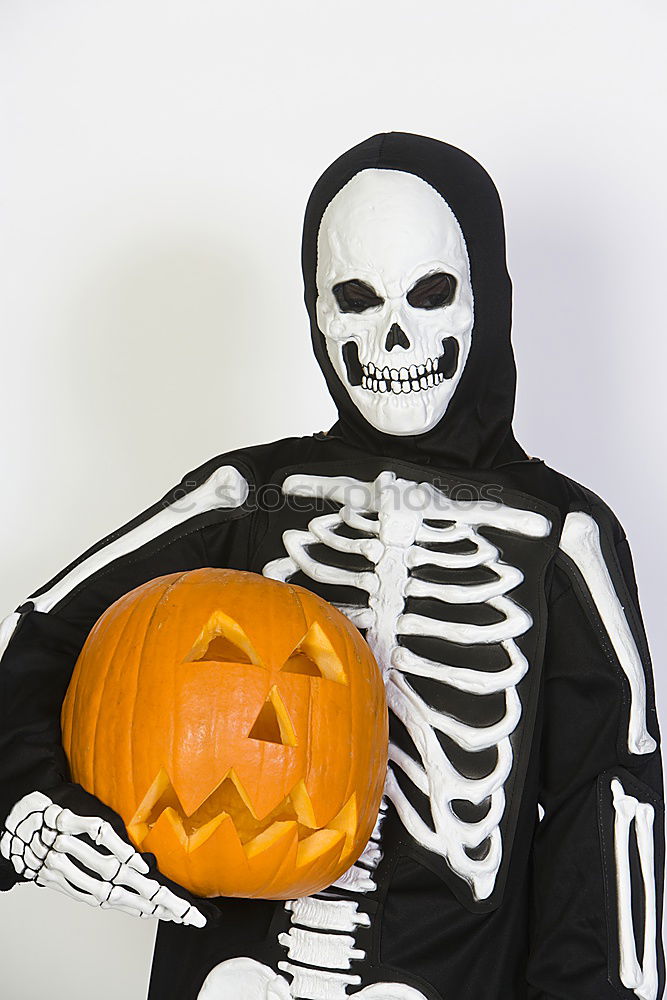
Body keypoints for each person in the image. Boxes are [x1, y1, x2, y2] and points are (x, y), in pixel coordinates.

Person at [1, 132, 663, 1000]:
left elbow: (608, 801)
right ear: (316, 312)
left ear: (486, 302)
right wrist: (26, 804)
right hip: (225, 971)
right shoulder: (249, 495)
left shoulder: (559, 533)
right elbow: (50, 629)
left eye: (430, 295)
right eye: (356, 298)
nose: (394, 336)